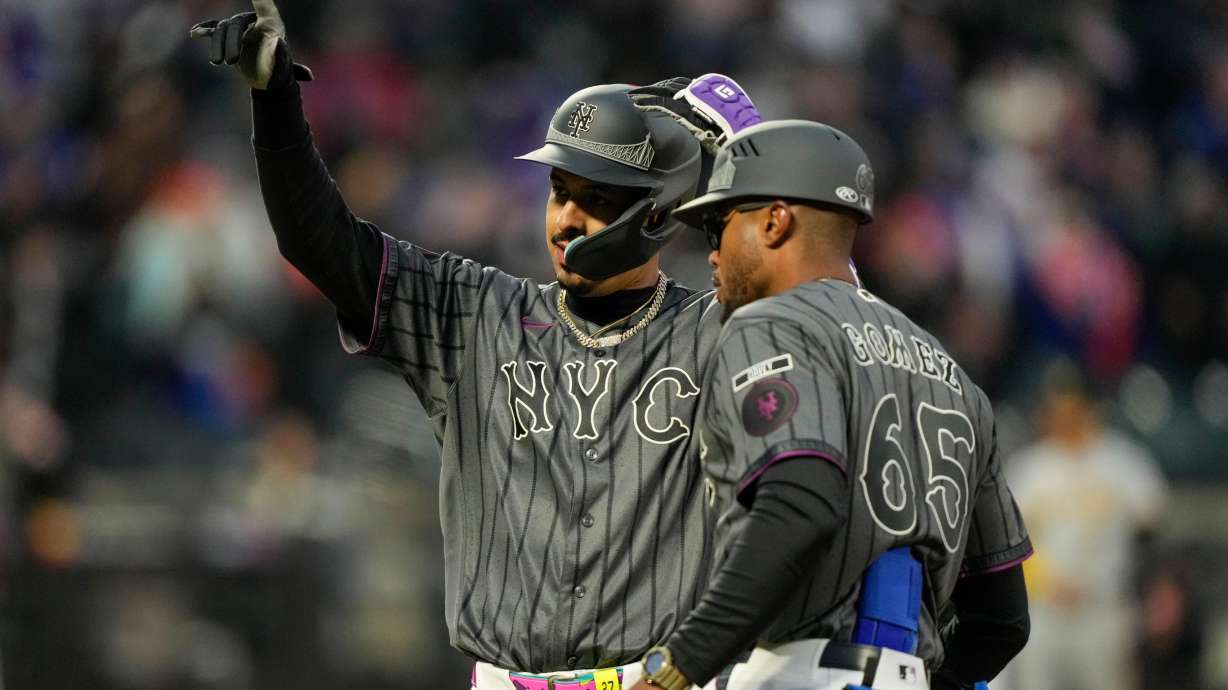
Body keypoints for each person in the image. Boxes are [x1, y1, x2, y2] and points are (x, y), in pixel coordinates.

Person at [189, 1, 763, 688]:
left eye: (597, 197)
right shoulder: (474, 313)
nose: (566, 217)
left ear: (659, 214)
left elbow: (828, 308)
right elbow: (320, 242)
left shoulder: (719, 332)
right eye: (559, 191)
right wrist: (276, 104)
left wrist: (750, 157)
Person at [630, 120, 1032, 690]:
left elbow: (801, 502)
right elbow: (1003, 619)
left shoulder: (773, 325)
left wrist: (676, 668)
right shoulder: (951, 372)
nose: (711, 252)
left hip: (795, 673)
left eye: (719, 225)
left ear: (774, 220)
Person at [1007, 363, 1167, 690]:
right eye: (1055, 407)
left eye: (1071, 406)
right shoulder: (1029, 466)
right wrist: (1045, 580)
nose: (1062, 415)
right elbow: (1007, 544)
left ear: (1090, 407)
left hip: (1104, 607)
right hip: (1044, 610)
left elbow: (1153, 522)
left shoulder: (1123, 461)